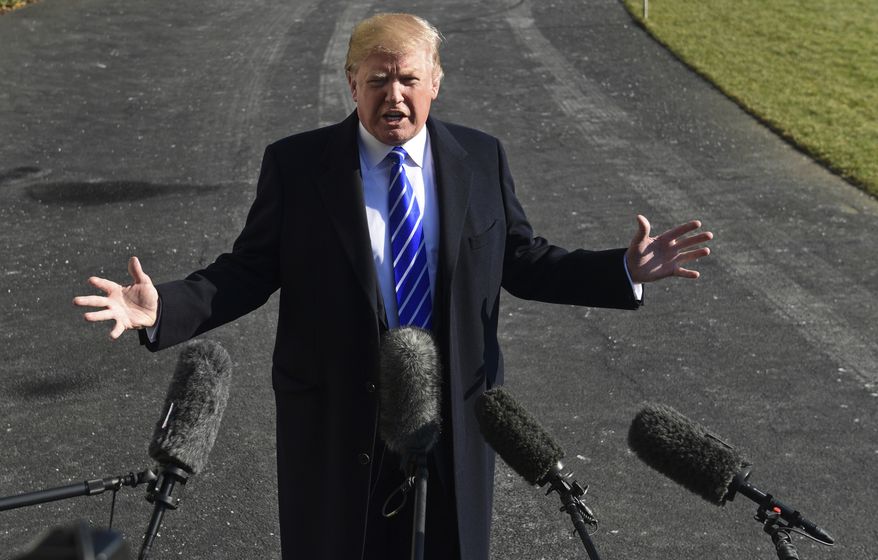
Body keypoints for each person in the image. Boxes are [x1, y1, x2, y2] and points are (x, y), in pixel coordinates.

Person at [74, 12, 712, 560]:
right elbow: (248, 270)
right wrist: (165, 307)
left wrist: (621, 271)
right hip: (337, 420)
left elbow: (521, 259)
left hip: (454, 421)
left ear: (436, 81)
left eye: (408, 78)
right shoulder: (298, 166)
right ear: (352, 83)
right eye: (377, 80)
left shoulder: (481, 157)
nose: (394, 95)